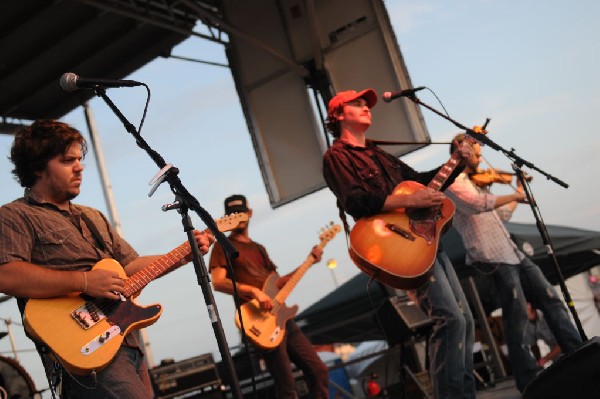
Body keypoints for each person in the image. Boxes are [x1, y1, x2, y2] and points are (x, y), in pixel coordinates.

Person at [0, 120, 215, 398]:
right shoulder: (16, 215)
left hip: (126, 340)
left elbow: (129, 268)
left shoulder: (92, 216)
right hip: (83, 348)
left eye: (79, 159)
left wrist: (184, 255)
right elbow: (7, 275)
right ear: (37, 167)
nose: (79, 167)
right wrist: (85, 281)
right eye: (68, 160)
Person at [322, 89, 476, 398]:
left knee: (467, 320)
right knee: (450, 319)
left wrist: (456, 161)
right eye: (357, 103)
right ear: (338, 115)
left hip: (427, 239)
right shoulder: (336, 157)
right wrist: (407, 199)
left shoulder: (379, 153)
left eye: (367, 103)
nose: (366, 106)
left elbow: (421, 181)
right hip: (400, 245)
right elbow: (355, 201)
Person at [445, 133, 582, 392]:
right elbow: (477, 205)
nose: (480, 157)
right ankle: (528, 379)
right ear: (460, 149)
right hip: (489, 255)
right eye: (476, 151)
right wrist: (514, 197)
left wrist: (518, 192)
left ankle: (576, 351)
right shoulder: (455, 183)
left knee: (550, 297)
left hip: (512, 252)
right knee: (517, 315)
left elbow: (500, 215)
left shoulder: (479, 182)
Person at [209, 194, 329, 399]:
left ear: (250, 214)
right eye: (232, 214)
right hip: (259, 321)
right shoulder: (223, 246)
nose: (237, 217)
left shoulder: (258, 248)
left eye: (240, 212)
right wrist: (254, 292)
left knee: (318, 370)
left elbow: (279, 282)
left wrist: (309, 261)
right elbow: (218, 282)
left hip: (283, 318)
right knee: (287, 385)